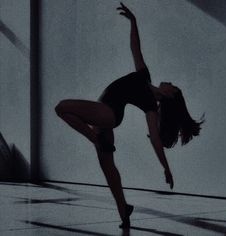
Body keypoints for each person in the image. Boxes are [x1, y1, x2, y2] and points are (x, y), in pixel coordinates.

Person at [55, 3, 204, 229]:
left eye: (172, 85)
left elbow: (155, 139)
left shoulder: (151, 106)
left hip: (107, 113)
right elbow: (136, 48)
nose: (169, 82)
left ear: (170, 94)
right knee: (108, 167)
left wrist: (166, 167)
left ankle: (96, 140)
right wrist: (133, 22)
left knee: (62, 107)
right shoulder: (144, 77)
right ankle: (124, 210)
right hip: (105, 115)